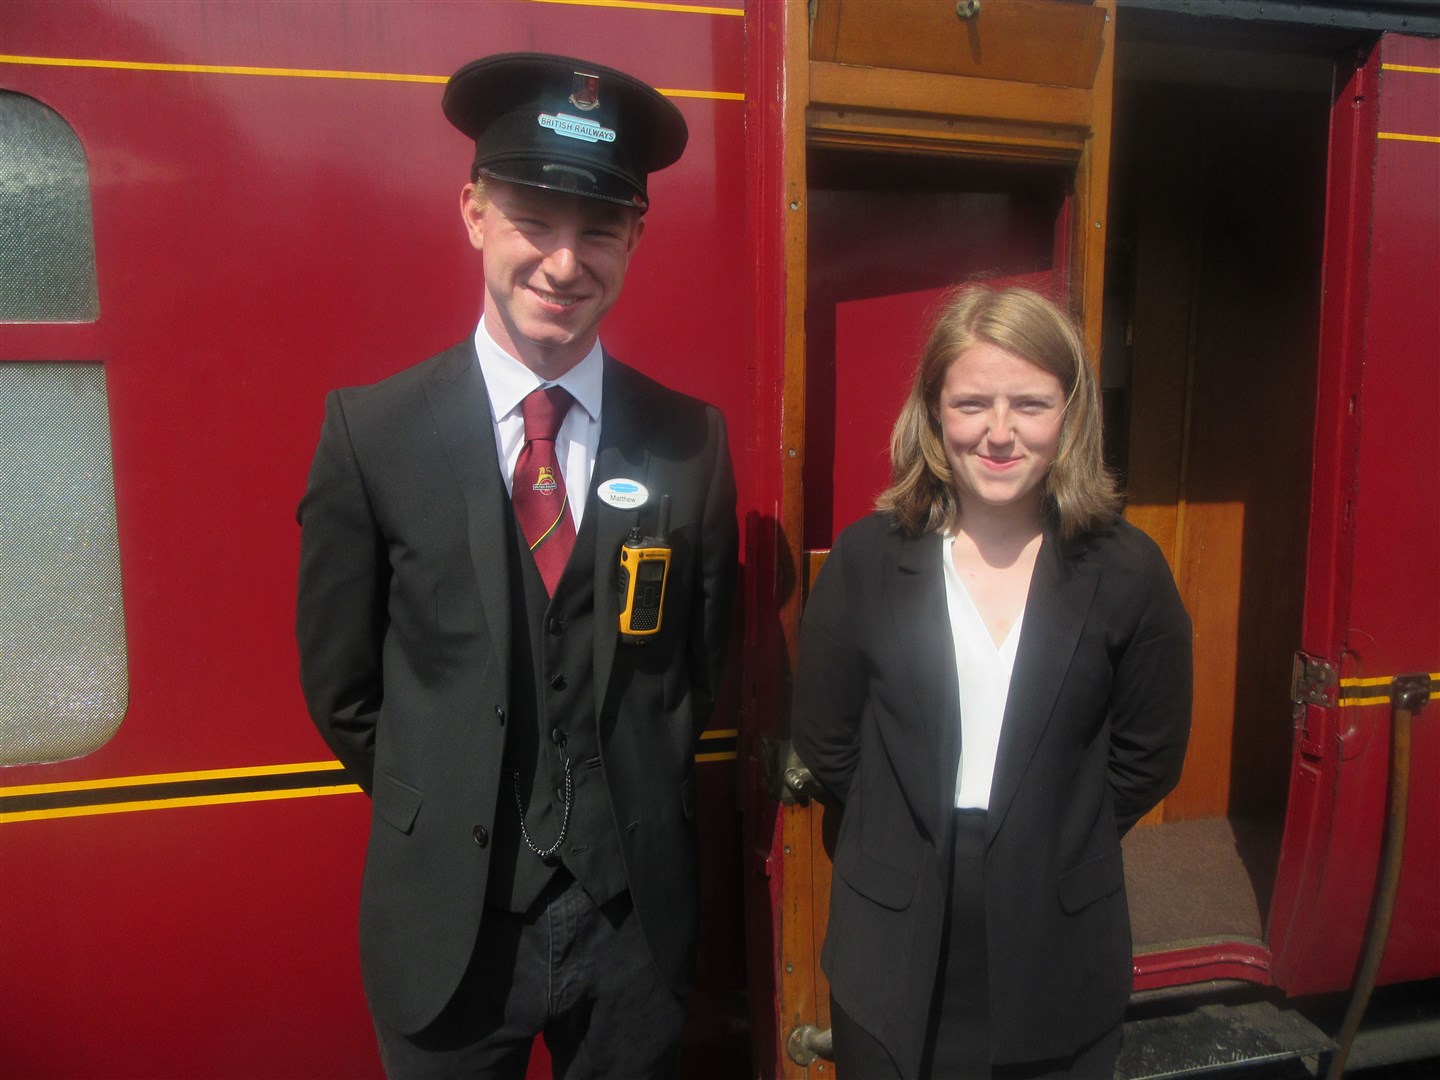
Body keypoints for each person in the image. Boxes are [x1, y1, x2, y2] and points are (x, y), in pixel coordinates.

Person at [296, 52, 738, 1078]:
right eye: (535, 221)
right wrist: (445, 797)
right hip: (449, 928)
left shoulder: (690, 440)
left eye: (600, 230)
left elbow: (695, 673)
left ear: (637, 237)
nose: (564, 263)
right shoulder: (373, 435)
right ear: (474, 213)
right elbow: (343, 685)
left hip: (631, 926)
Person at [793, 285, 1192, 1079]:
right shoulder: (868, 558)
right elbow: (827, 740)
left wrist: (1053, 828)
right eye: (972, 402)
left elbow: (1148, 756)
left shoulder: (1128, 569)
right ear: (935, 411)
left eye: (1030, 404)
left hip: (1060, 947)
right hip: (892, 947)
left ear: (1070, 414)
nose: (999, 433)